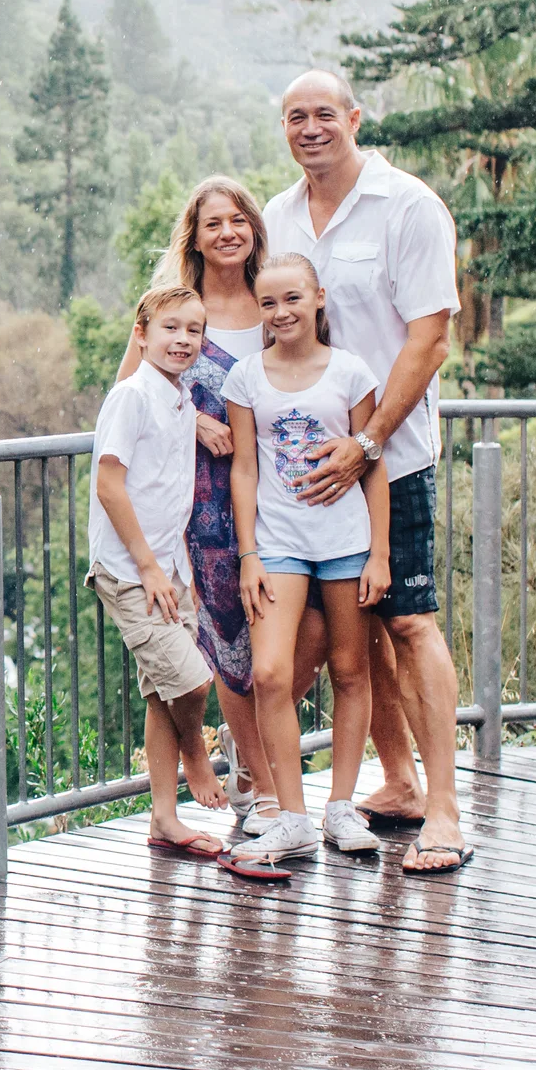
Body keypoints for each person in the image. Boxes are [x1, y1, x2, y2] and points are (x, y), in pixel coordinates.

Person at [264, 69, 470, 876]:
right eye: (293, 118)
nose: (309, 128)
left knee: (411, 620)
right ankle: (397, 781)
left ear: (354, 118)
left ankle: (446, 810)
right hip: (306, 473)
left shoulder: (408, 206)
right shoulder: (279, 215)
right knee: (363, 626)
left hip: (393, 455)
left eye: (323, 114)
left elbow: (430, 340)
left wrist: (371, 440)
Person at [114, 177, 288, 834]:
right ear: (196, 234)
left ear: (254, 228)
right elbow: (131, 390)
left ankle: (250, 764)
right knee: (226, 646)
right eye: (213, 222)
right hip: (201, 508)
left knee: (299, 636)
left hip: (280, 491)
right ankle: (257, 787)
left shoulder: (274, 299)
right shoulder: (179, 308)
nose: (227, 232)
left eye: (238, 219)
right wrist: (194, 425)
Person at [88, 284, 279, 879]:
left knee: (159, 692)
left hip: (170, 569)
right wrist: (147, 566)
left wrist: (182, 570)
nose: (183, 340)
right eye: (170, 328)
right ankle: (200, 759)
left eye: (194, 331)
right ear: (141, 334)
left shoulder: (177, 400)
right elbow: (110, 484)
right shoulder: (131, 398)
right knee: (193, 684)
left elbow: (172, 491)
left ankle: (164, 820)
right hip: (129, 570)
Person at [223, 255, 388, 863]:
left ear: (319, 298)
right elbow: (244, 468)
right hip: (279, 543)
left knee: (350, 670)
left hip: (346, 543)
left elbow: (372, 465)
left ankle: (339, 807)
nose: (281, 312)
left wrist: (381, 554)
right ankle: (289, 816)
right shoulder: (246, 377)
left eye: (292, 299)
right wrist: (248, 553)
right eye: (268, 304)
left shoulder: (349, 371)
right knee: (270, 673)